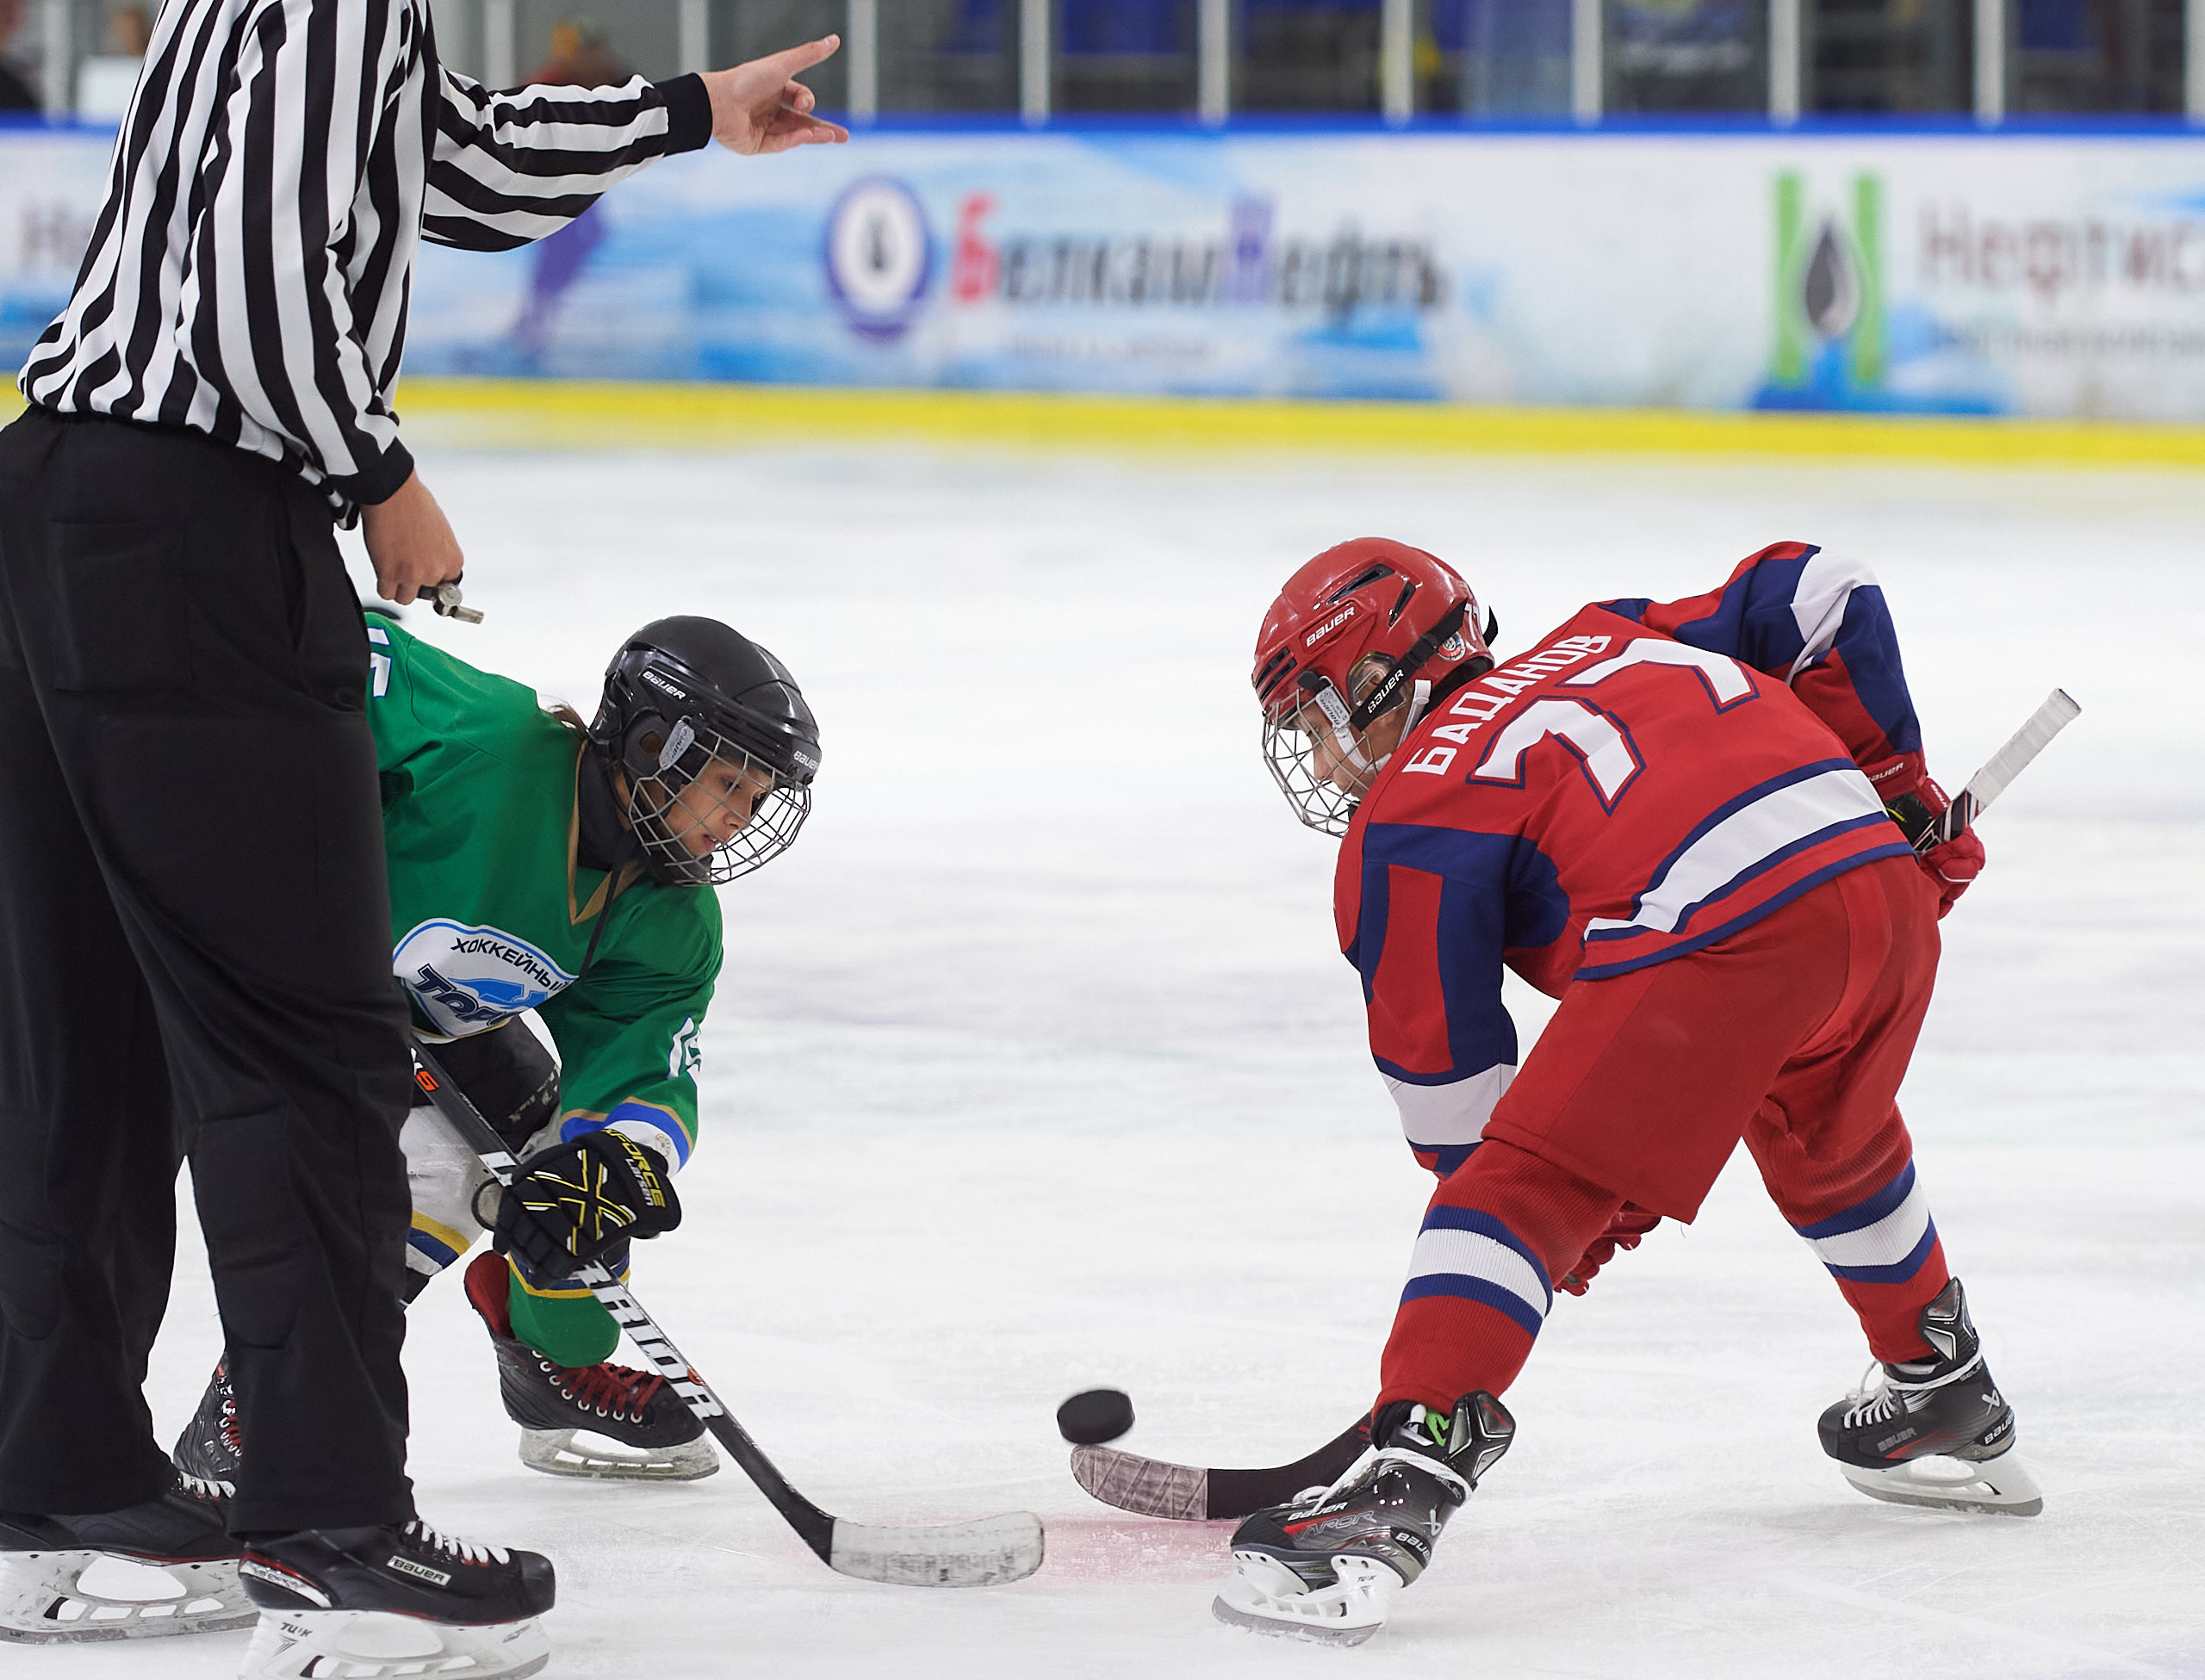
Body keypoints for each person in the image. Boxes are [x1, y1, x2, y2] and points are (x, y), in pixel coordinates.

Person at [0, 1, 843, 1668]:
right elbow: (260, 276)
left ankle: (54, 1491)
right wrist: (380, 472)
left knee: (77, 1046)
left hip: (60, 502)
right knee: (305, 1057)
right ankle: (329, 1532)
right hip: (196, 525)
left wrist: (680, 114)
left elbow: (438, 158)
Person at [1214, 537, 2034, 1647]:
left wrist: (1554, 1226)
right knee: (1822, 1130)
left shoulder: (1409, 807)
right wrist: (1895, 796)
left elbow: (1459, 1115)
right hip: (1876, 889)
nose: (1317, 750)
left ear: (1378, 676)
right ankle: (1940, 1378)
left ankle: (1402, 1480)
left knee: (1519, 1184)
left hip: (1723, 929)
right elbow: (1815, 592)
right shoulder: (1605, 634)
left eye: (1315, 712)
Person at [172, 611, 818, 1491]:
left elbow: (642, 1070)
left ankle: (546, 1358)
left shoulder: (671, 920)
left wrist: (614, 1165)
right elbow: (326, 642)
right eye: (731, 783)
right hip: (233, 977)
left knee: (537, 1160)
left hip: (400, 1027)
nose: (740, 818)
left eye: (757, 795)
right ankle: (260, 1395)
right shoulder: (488, 741)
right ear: (655, 741)